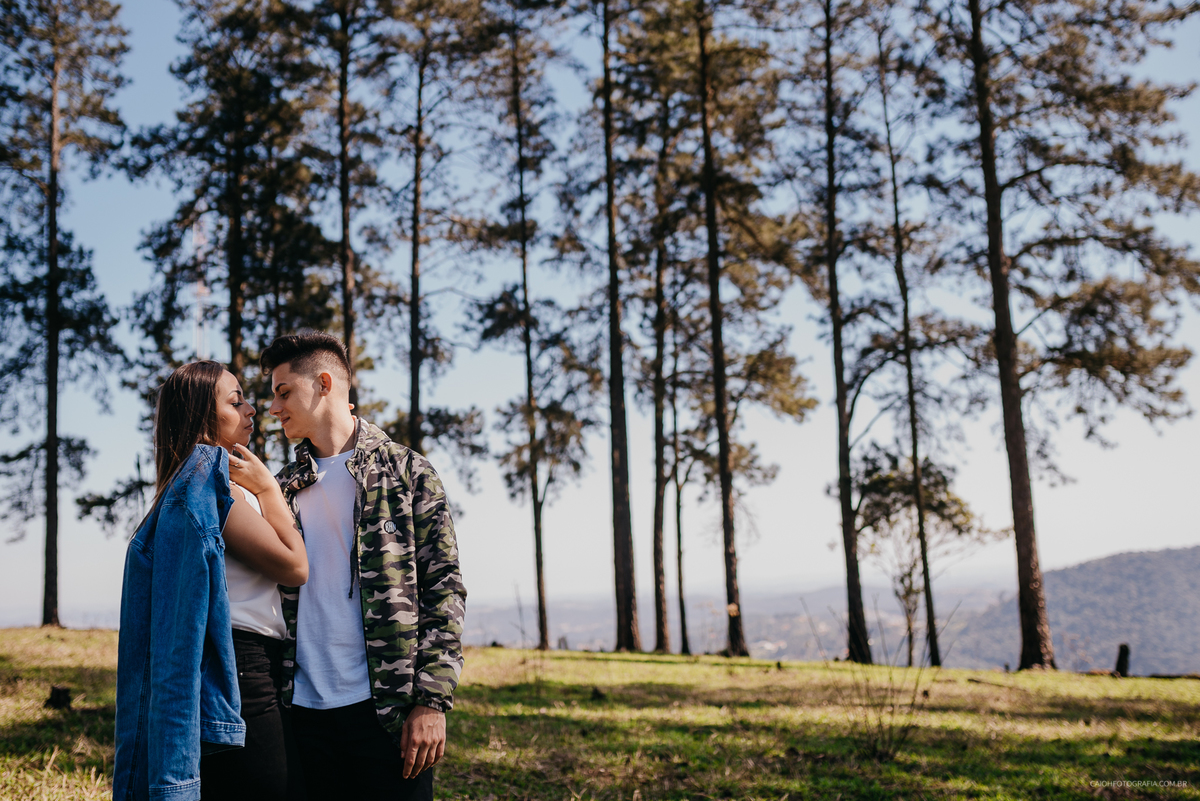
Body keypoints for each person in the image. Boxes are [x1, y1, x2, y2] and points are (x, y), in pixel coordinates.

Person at [259, 331, 467, 801]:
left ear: (325, 383)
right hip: (303, 713)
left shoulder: (409, 472)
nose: (273, 407)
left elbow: (445, 589)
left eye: (283, 391)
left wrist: (431, 701)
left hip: (388, 712)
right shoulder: (283, 488)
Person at [114, 361, 309, 801]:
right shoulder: (211, 481)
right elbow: (295, 566)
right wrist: (269, 491)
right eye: (235, 401)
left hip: (242, 663)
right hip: (243, 665)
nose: (252, 409)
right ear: (203, 415)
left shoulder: (187, 483)